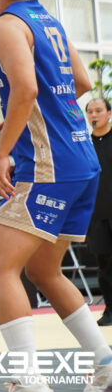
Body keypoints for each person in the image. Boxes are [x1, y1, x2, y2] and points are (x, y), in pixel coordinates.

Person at [0, 0, 112, 392]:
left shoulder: (5, 25)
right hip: (82, 161)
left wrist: (2, 152)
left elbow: (27, 88)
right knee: (43, 269)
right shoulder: (47, 19)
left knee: (1, 267)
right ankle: (105, 364)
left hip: (49, 165)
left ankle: (28, 381)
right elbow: (81, 82)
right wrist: (26, 117)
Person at [86, 97, 112, 326]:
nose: (94, 115)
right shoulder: (84, 144)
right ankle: (110, 310)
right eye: (90, 111)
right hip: (96, 213)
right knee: (104, 264)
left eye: (98, 110)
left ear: (109, 113)